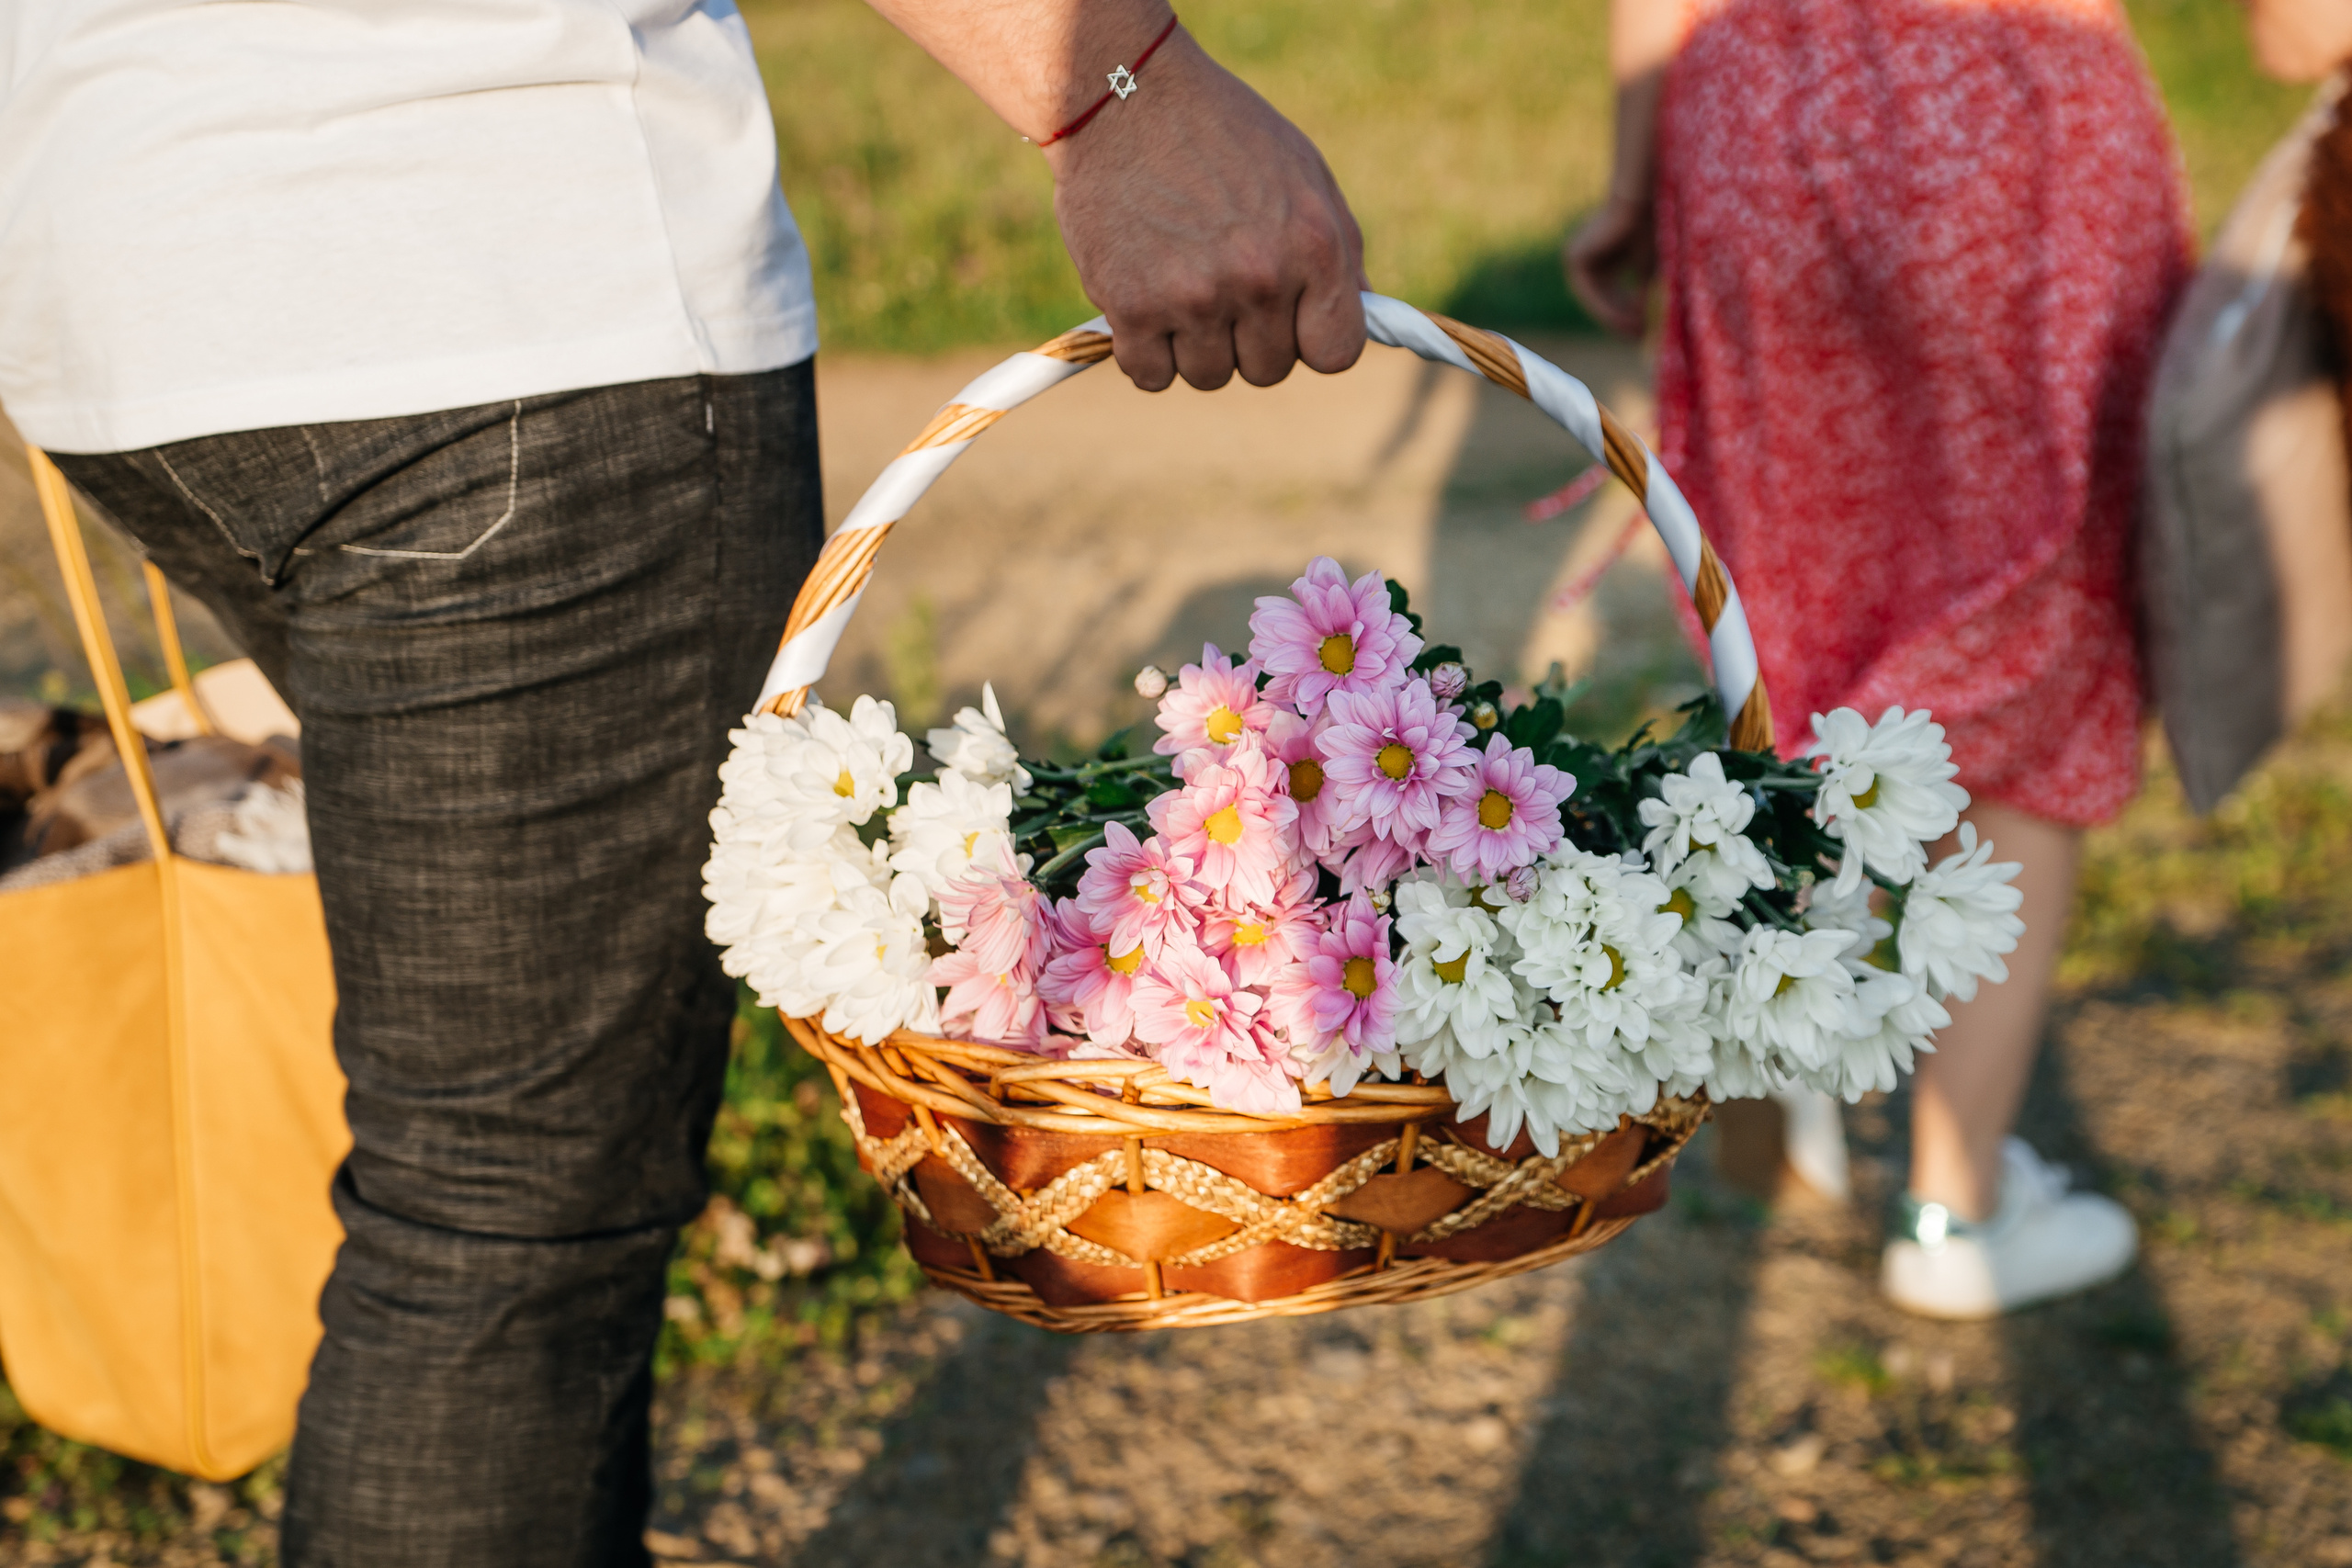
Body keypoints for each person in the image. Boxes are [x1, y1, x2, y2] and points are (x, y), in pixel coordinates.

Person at [0, 2, 1363, 1559]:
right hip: (487, 300)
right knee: (499, 1222)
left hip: (135, 249)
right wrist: (1126, 98)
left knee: (482, 1190)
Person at [1566, 0, 2189, 1319]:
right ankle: (1950, 1214)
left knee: (1795, 602)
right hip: (2024, 113)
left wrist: (1633, 179)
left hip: (1756, 110)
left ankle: (1788, 1024)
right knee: (2035, 634)